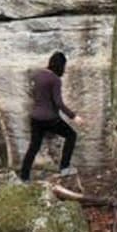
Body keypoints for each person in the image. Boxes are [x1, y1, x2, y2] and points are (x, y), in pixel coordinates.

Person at [19, 51, 82, 181]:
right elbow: (58, 103)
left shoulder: (37, 75)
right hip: (50, 119)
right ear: (61, 66)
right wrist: (74, 117)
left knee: (33, 147)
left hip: (35, 118)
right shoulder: (55, 80)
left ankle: (24, 177)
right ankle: (64, 168)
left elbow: (35, 94)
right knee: (71, 135)